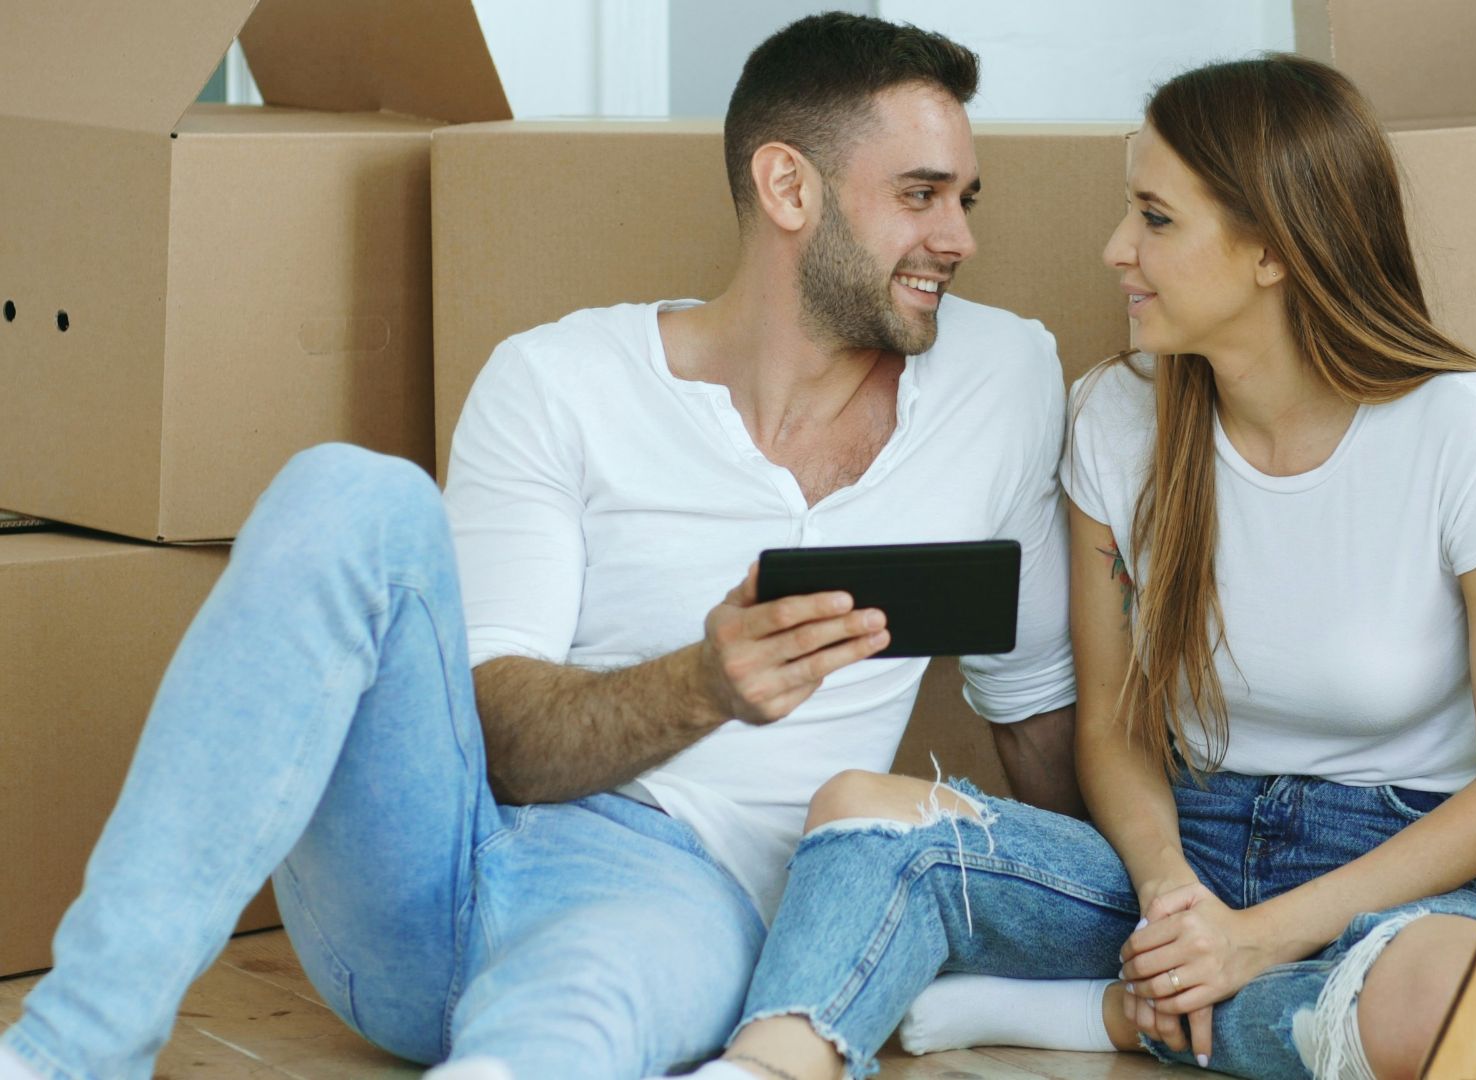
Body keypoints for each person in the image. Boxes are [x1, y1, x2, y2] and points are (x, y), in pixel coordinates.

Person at [0, 14, 1082, 1080]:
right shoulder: (560, 377)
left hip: (683, 890)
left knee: (571, 1018)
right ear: (787, 187)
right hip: (430, 860)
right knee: (350, 491)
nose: (960, 239)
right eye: (920, 196)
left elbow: (1034, 709)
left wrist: (1111, 939)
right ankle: (69, 1052)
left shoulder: (1002, 380)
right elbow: (503, 735)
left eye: (963, 198)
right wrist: (704, 685)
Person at [693, 54, 1476, 1080]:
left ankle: (1117, 1017)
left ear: (1271, 251)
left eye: (1155, 218)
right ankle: (762, 1070)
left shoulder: (1469, 433)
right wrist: (1174, 902)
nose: (1117, 250)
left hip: (1390, 879)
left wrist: (1259, 937)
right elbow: (1111, 730)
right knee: (861, 810)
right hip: (1172, 859)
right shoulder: (1115, 418)